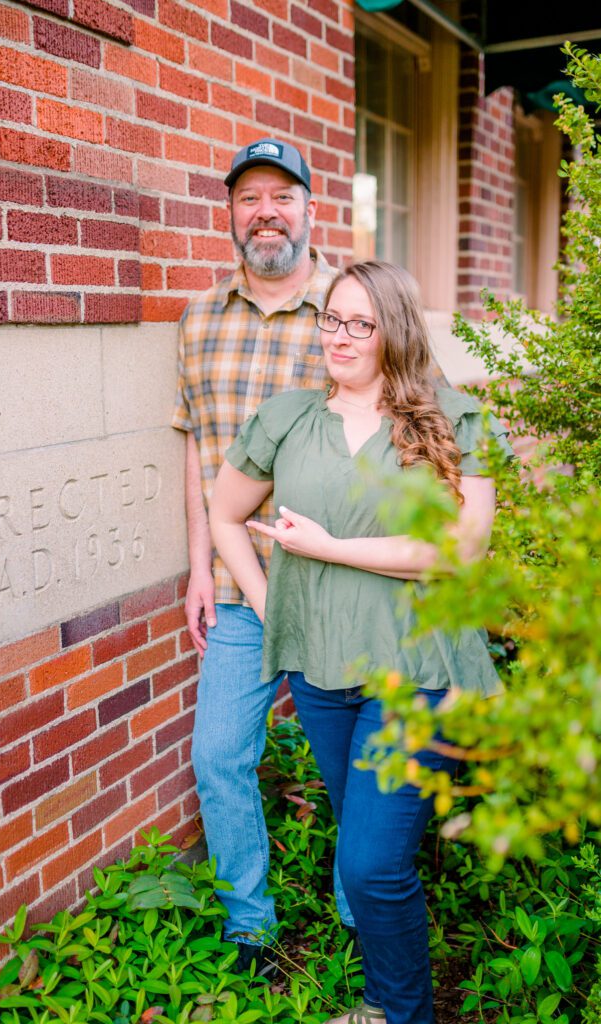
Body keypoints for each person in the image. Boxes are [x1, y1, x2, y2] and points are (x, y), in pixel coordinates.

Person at [209, 260, 512, 1024]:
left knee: (371, 866)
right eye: (328, 319)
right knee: (366, 850)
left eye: (358, 323)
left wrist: (324, 548)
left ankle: (403, 1012)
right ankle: (386, 998)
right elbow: (223, 515)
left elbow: (458, 554)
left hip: (418, 669)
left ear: (394, 331)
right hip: (321, 673)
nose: (336, 337)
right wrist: (271, 599)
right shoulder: (284, 418)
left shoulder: (454, 418)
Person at [171, 138, 355, 969]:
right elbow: (198, 452)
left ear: (310, 208)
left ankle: (363, 917)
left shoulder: (348, 308)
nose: (266, 211)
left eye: (283, 194)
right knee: (218, 757)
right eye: (249, 198)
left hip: (338, 585)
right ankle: (250, 924)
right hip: (243, 596)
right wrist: (198, 568)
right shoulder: (199, 317)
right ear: (231, 214)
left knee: (355, 768)